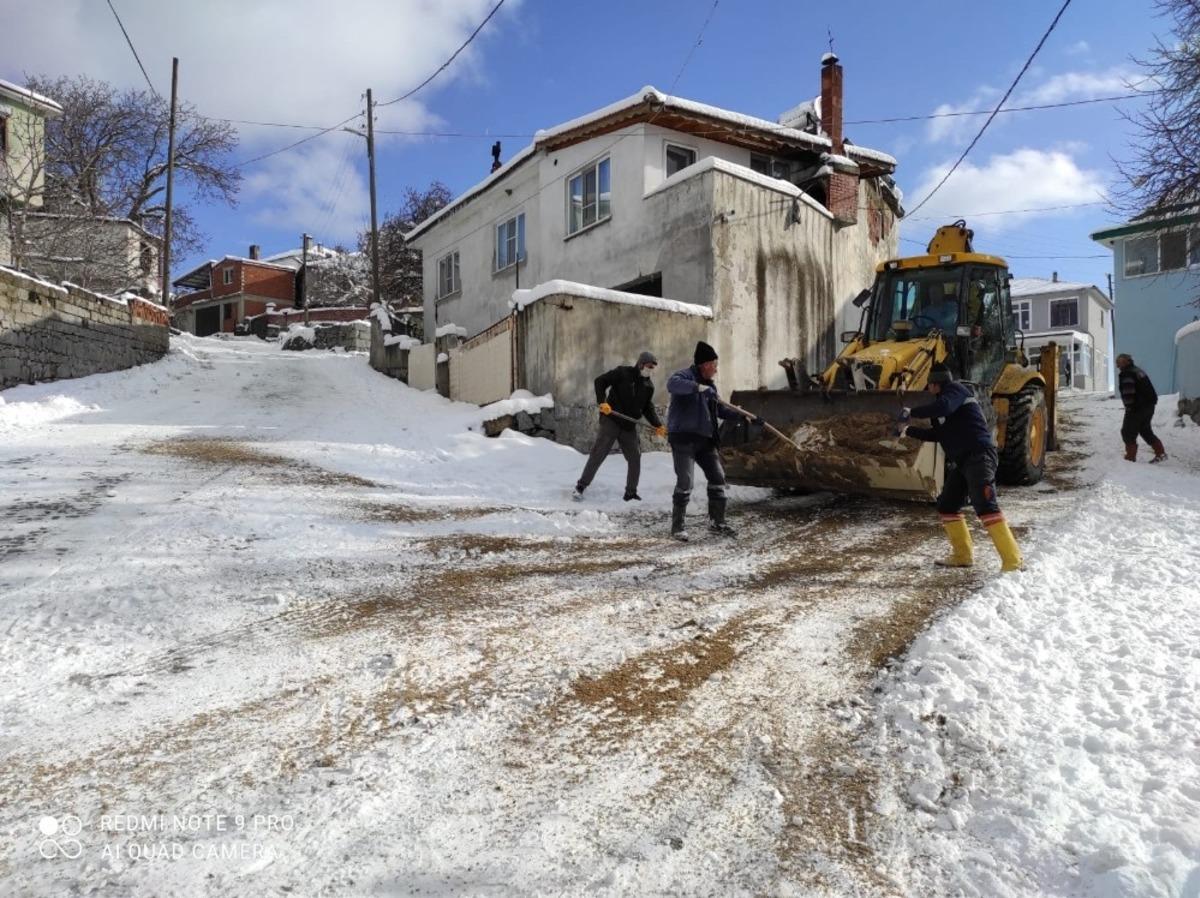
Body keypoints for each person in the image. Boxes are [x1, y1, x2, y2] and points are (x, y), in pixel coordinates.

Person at [900, 362, 1024, 572]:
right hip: (964, 461)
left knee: (986, 506)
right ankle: (962, 555)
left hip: (980, 456)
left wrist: (912, 412)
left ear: (935, 384)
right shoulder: (943, 406)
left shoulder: (956, 391)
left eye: (929, 385)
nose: (927, 390)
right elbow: (938, 435)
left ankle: (1013, 562)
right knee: (947, 505)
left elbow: (944, 407)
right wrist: (907, 431)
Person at [665, 341, 743, 541]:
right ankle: (678, 528)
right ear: (705, 364)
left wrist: (741, 415)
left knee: (718, 477)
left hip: (705, 440)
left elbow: (720, 410)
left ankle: (717, 522)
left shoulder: (711, 387)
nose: (716, 370)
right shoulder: (684, 376)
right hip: (683, 439)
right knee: (685, 481)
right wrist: (698, 388)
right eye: (714, 365)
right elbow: (672, 385)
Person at [573, 351, 666, 501]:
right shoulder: (623, 373)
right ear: (641, 364)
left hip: (629, 425)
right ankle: (580, 487)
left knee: (635, 456)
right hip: (611, 419)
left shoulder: (648, 386)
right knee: (599, 453)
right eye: (649, 366)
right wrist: (602, 402)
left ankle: (630, 492)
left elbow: (647, 408)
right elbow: (600, 381)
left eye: (653, 368)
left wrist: (658, 425)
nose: (651, 370)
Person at [1116, 353, 1166, 463]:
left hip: (1137, 407)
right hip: (1149, 406)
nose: (1118, 365)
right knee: (1145, 430)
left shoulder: (1127, 373)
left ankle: (1130, 457)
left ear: (1128, 361)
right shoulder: (1138, 371)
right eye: (1118, 362)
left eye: (1120, 362)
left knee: (1127, 432)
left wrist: (1129, 407)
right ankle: (1160, 453)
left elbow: (1129, 391)